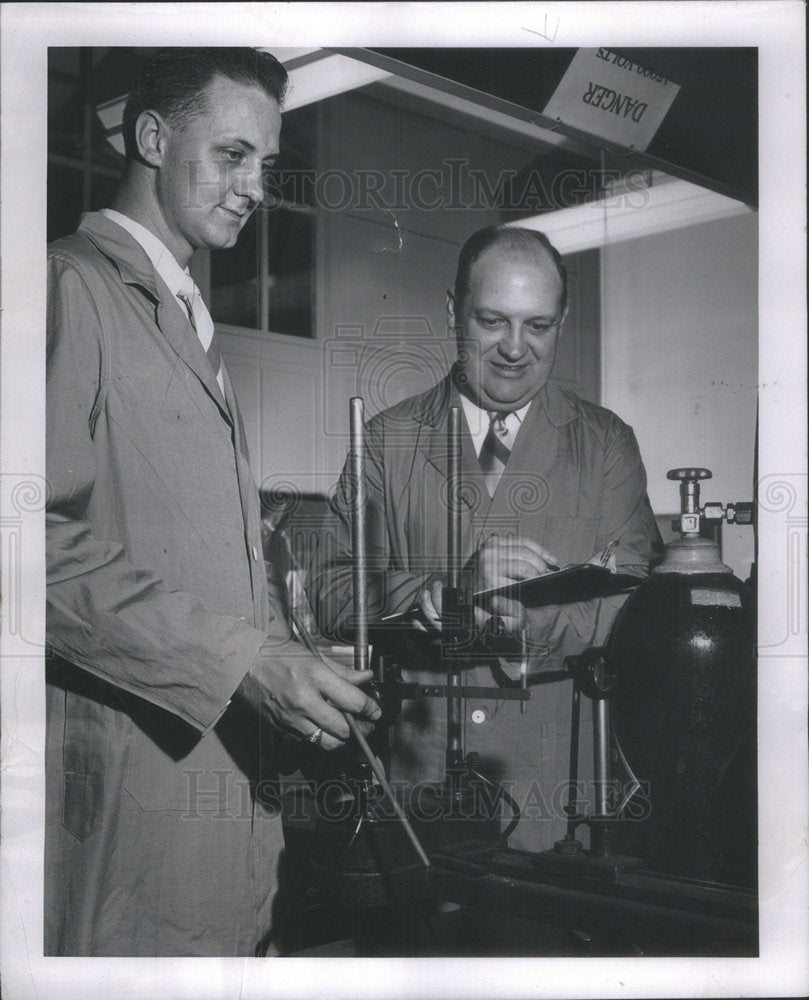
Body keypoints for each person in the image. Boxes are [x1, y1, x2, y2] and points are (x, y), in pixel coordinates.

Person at [45, 47, 380, 957]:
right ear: (153, 138)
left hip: (214, 792)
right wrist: (243, 660)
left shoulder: (181, 314)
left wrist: (292, 666)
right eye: (232, 155)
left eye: (264, 164)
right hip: (124, 795)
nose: (254, 188)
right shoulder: (69, 287)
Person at [306, 226, 661, 853]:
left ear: (562, 320)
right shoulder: (386, 441)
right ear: (453, 311)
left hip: (561, 795)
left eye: (538, 326)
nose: (515, 349)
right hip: (418, 793)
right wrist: (447, 594)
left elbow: (636, 603)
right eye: (492, 321)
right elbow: (331, 589)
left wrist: (525, 624)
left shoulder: (606, 444)